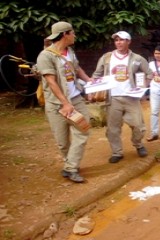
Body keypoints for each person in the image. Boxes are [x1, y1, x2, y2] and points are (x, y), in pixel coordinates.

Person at [36, 21, 93, 183]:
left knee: (82, 130)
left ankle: (71, 167)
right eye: (72, 32)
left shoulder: (70, 52)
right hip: (56, 105)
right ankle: (70, 163)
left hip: (76, 100)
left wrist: (89, 80)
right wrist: (65, 103)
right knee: (62, 142)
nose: (74, 35)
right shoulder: (46, 56)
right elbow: (51, 81)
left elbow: (77, 68)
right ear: (64, 34)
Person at [92, 31, 152, 163]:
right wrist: (92, 88)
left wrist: (143, 87)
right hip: (113, 99)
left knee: (138, 126)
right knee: (113, 128)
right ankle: (117, 152)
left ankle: (138, 144)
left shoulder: (137, 59)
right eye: (116, 40)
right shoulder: (106, 58)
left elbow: (149, 74)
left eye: (122, 40)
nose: (119, 42)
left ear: (129, 42)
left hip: (131, 98)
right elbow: (97, 75)